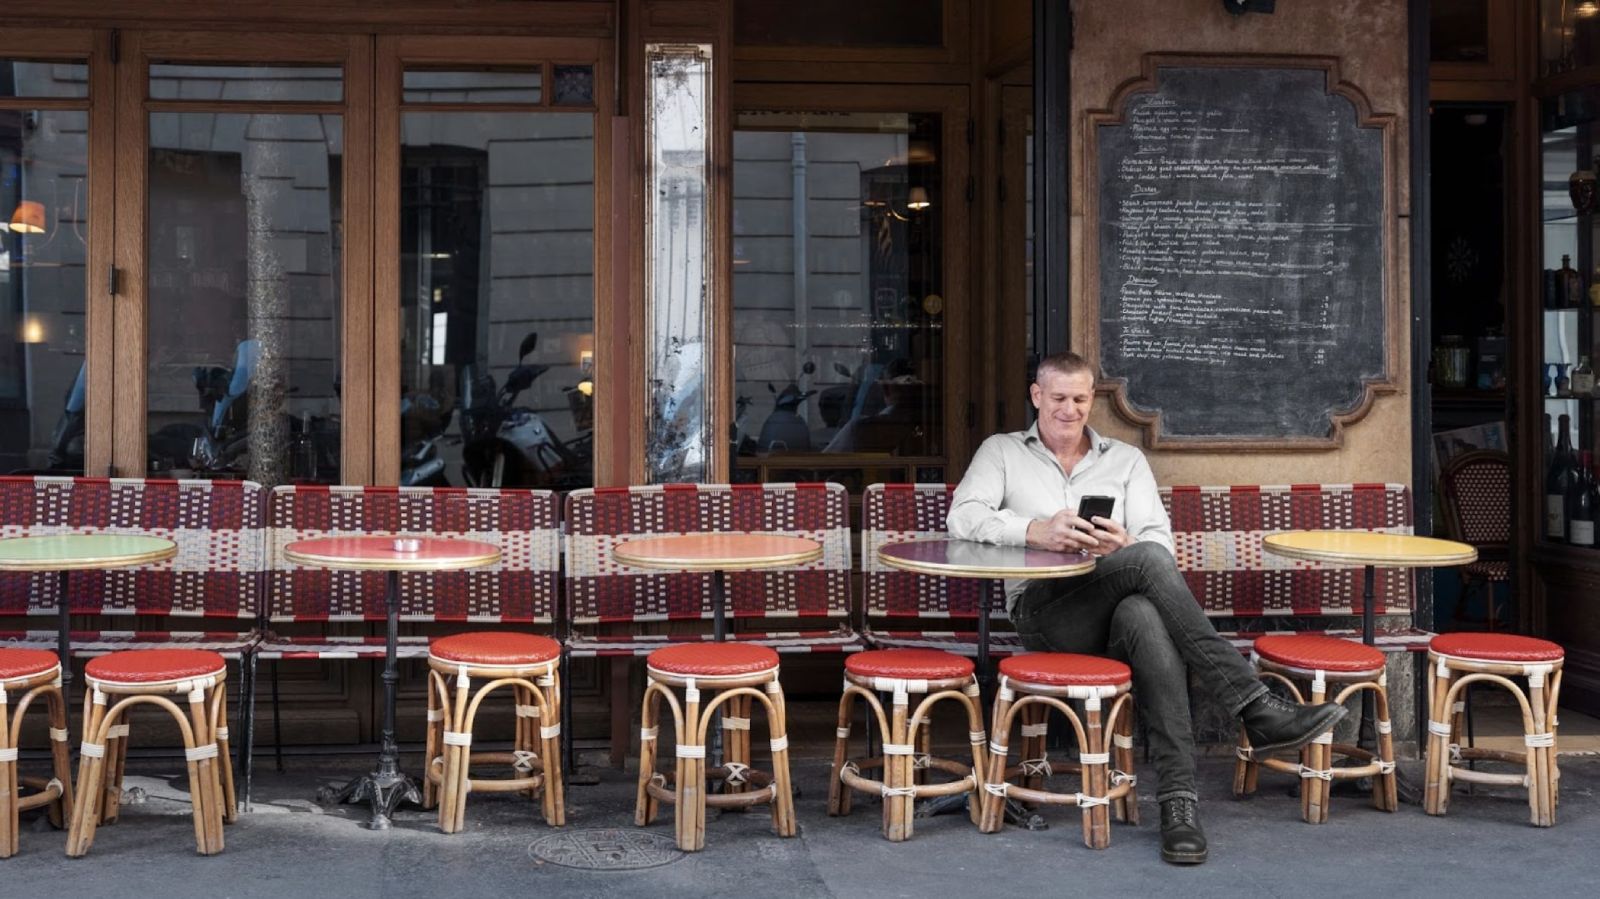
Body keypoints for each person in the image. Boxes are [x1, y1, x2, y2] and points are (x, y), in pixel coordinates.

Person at [948, 351, 1347, 865]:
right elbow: (964, 516)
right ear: (1036, 397)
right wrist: (1035, 530)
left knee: (1144, 611)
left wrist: (1122, 544)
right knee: (1146, 567)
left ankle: (1179, 807)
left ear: (1092, 398)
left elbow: (1158, 542)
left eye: (1080, 398)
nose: (1070, 410)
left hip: (1114, 615)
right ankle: (1253, 706)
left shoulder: (1124, 460)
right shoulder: (1001, 452)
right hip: (1043, 613)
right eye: (1058, 398)